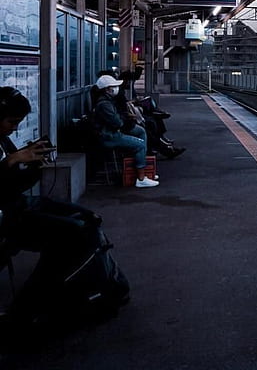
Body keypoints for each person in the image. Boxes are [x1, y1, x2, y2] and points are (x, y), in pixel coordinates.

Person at [0, 86, 102, 328]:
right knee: (71, 235)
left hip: (17, 205)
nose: (14, 128)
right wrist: (12, 161)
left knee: (88, 218)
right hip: (7, 217)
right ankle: (24, 310)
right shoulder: (6, 150)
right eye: (11, 122)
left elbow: (15, 185)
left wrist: (34, 165)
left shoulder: (3, 141)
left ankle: (59, 288)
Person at [91, 75, 158, 188]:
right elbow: (117, 122)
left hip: (111, 133)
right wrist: (122, 119)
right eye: (114, 86)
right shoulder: (105, 104)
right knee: (140, 145)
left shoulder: (107, 101)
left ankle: (142, 169)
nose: (117, 88)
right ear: (107, 89)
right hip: (110, 136)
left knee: (141, 132)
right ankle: (141, 178)